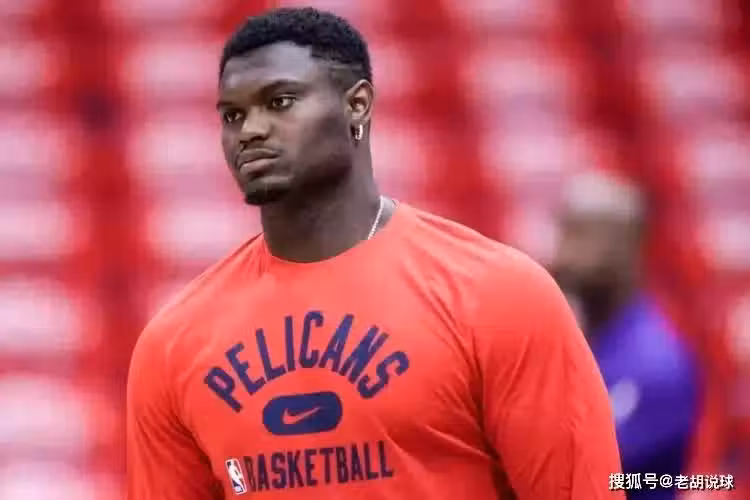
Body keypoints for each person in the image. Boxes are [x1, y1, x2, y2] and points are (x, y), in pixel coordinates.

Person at [126, 7, 623, 500]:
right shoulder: (173, 344)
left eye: (280, 102)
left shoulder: (499, 296)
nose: (250, 130)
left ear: (357, 105)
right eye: (232, 115)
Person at [552, 170, 702, 499]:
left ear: (631, 247)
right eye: (566, 235)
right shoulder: (577, 340)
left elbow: (594, 474)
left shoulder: (656, 362)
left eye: (588, 239)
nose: (567, 257)